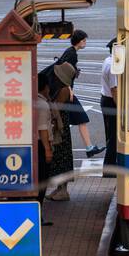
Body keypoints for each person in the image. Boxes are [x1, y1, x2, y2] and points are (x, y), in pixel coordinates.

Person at [43, 64, 79, 200]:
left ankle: (63, 190)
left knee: (61, 158)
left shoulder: (63, 89)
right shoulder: (60, 87)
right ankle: (59, 189)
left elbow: (55, 108)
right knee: (58, 158)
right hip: (59, 126)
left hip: (60, 128)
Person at [100, 40, 119, 168]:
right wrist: (121, 108)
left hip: (105, 99)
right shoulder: (113, 65)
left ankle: (110, 165)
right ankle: (109, 167)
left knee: (110, 134)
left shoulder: (107, 60)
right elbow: (115, 89)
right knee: (113, 136)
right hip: (111, 102)